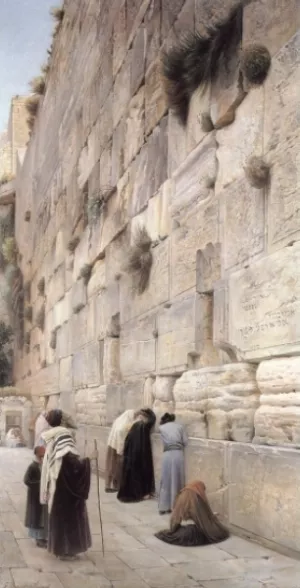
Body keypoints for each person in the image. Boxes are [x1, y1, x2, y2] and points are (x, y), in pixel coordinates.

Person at [40, 409, 92, 560]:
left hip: (57, 483)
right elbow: (70, 463)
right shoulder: (63, 433)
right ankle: (66, 551)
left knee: (60, 516)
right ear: (62, 419)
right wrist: (88, 462)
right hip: (65, 487)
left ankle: (60, 549)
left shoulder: (53, 432)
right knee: (69, 518)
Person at [155, 480, 229, 546]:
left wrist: (173, 531)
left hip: (182, 533)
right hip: (195, 533)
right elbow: (203, 521)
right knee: (216, 531)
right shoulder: (197, 499)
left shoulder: (181, 496)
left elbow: (174, 520)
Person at [117, 408, 156, 503]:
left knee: (131, 476)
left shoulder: (133, 426)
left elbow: (127, 441)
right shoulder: (143, 426)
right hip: (139, 455)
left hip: (131, 456)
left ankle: (133, 493)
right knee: (139, 475)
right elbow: (153, 419)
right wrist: (148, 410)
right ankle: (141, 493)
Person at [105, 409, 142, 493]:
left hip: (111, 444)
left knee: (110, 465)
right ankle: (116, 486)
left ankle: (108, 485)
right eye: (133, 416)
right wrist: (121, 452)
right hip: (117, 446)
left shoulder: (119, 420)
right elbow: (121, 439)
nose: (134, 417)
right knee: (117, 466)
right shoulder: (123, 425)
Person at [158, 413, 188, 515]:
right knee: (177, 479)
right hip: (178, 454)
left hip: (167, 454)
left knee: (166, 479)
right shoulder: (180, 427)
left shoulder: (161, 428)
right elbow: (185, 441)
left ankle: (164, 506)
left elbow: (163, 443)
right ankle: (176, 506)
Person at [24, 445, 48, 548]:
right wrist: (40, 484)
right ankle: (38, 539)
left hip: (44, 496)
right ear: (37, 453)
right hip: (35, 497)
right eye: (42, 452)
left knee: (44, 517)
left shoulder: (44, 464)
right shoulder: (33, 466)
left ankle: (43, 537)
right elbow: (27, 480)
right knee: (37, 517)